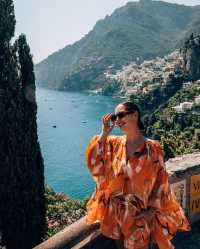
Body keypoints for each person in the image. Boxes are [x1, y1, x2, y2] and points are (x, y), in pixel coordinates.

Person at [85, 101, 190, 249]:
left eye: (121, 115)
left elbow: (161, 181)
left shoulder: (153, 148)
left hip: (140, 216)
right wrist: (104, 133)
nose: (117, 121)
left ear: (135, 115)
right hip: (115, 214)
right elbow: (93, 161)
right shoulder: (113, 143)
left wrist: (151, 211)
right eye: (115, 117)